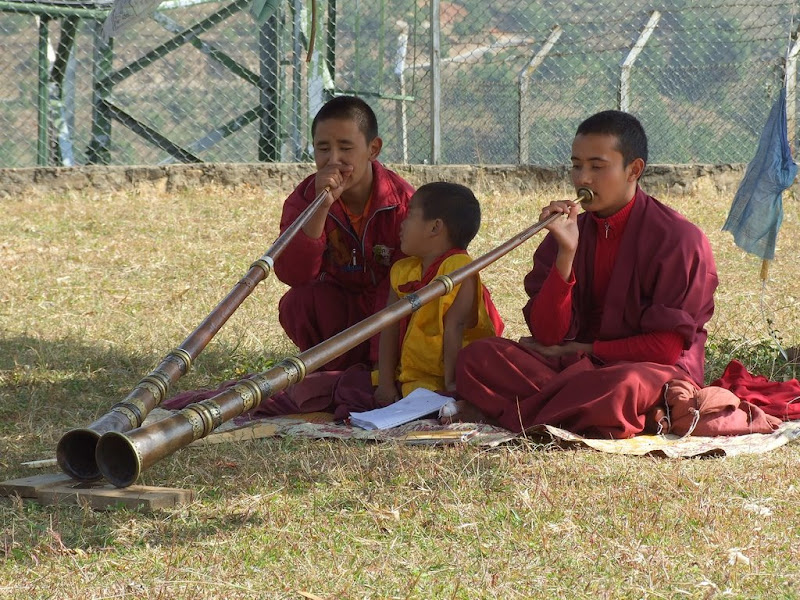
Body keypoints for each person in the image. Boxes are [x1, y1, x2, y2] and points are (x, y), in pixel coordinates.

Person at [451, 110, 719, 438]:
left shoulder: (678, 239)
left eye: (597, 166)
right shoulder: (569, 234)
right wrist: (566, 253)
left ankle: (510, 412)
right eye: (577, 166)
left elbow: (664, 348)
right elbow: (548, 336)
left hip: (648, 370)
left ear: (634, 170)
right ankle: (581, 412)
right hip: (574, 365)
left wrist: (583, 351)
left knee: (622, 388)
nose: (583, 179)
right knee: (478, 357)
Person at [330, 182, 504, 420]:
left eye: (410, 215)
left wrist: (452, 387)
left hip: (444, 379)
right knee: (342, 387)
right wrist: (385, 383)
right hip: (408, 378)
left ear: (435, 227)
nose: (402, 224)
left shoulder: (459, 268)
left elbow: (456, 326)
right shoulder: (403, 270)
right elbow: (389, 326)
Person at [274, 95, 415, 371]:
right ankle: (333, 372)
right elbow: (293, 275)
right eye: (323, 148)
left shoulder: (402, 201)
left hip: (391, 316)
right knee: (298, 303)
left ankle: (372, 371)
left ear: (373, 149)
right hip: (339, 313)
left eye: (346, 148)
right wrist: (320, 207)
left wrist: (381, 365)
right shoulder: (304, 199)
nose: (333, 160)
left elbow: (412, 279)